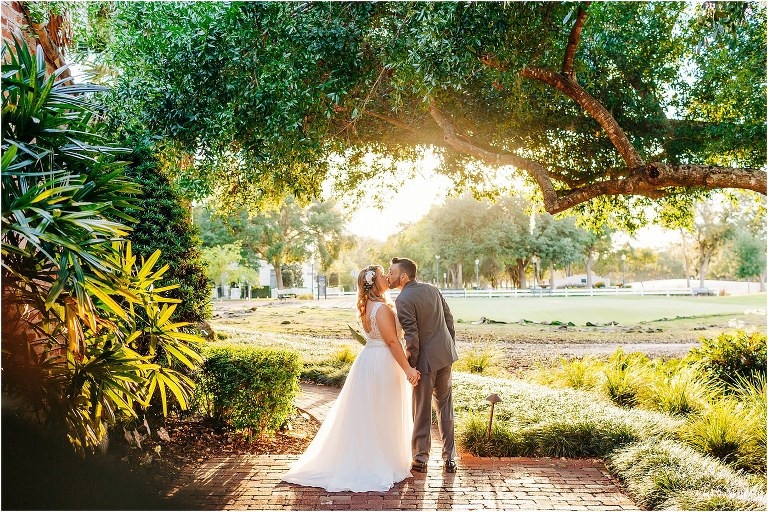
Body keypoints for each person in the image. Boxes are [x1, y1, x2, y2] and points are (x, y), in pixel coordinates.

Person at [282, 265, 421, 492]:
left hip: (369, 359)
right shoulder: (382, 309)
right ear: (375, 283)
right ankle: (378, 461)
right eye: (382, 273)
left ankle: (374, 456)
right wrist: (407, 369)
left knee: (371, 412)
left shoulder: (368, 306)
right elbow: (393, 342)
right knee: (382, 411)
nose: (387, 276)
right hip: (382, 362)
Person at [387, 256, 459, 474]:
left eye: (391, 272)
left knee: (421, 409)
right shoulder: (433, 290)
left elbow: (412, 336)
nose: (389, 276)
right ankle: (450, 458)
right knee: (445, 407)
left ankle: (420, 458)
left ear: (404, 276)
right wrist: (449, 347)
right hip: (445, 355)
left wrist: (412, 367)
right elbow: (449, 320)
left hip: (425, 362)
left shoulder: (403, 299)